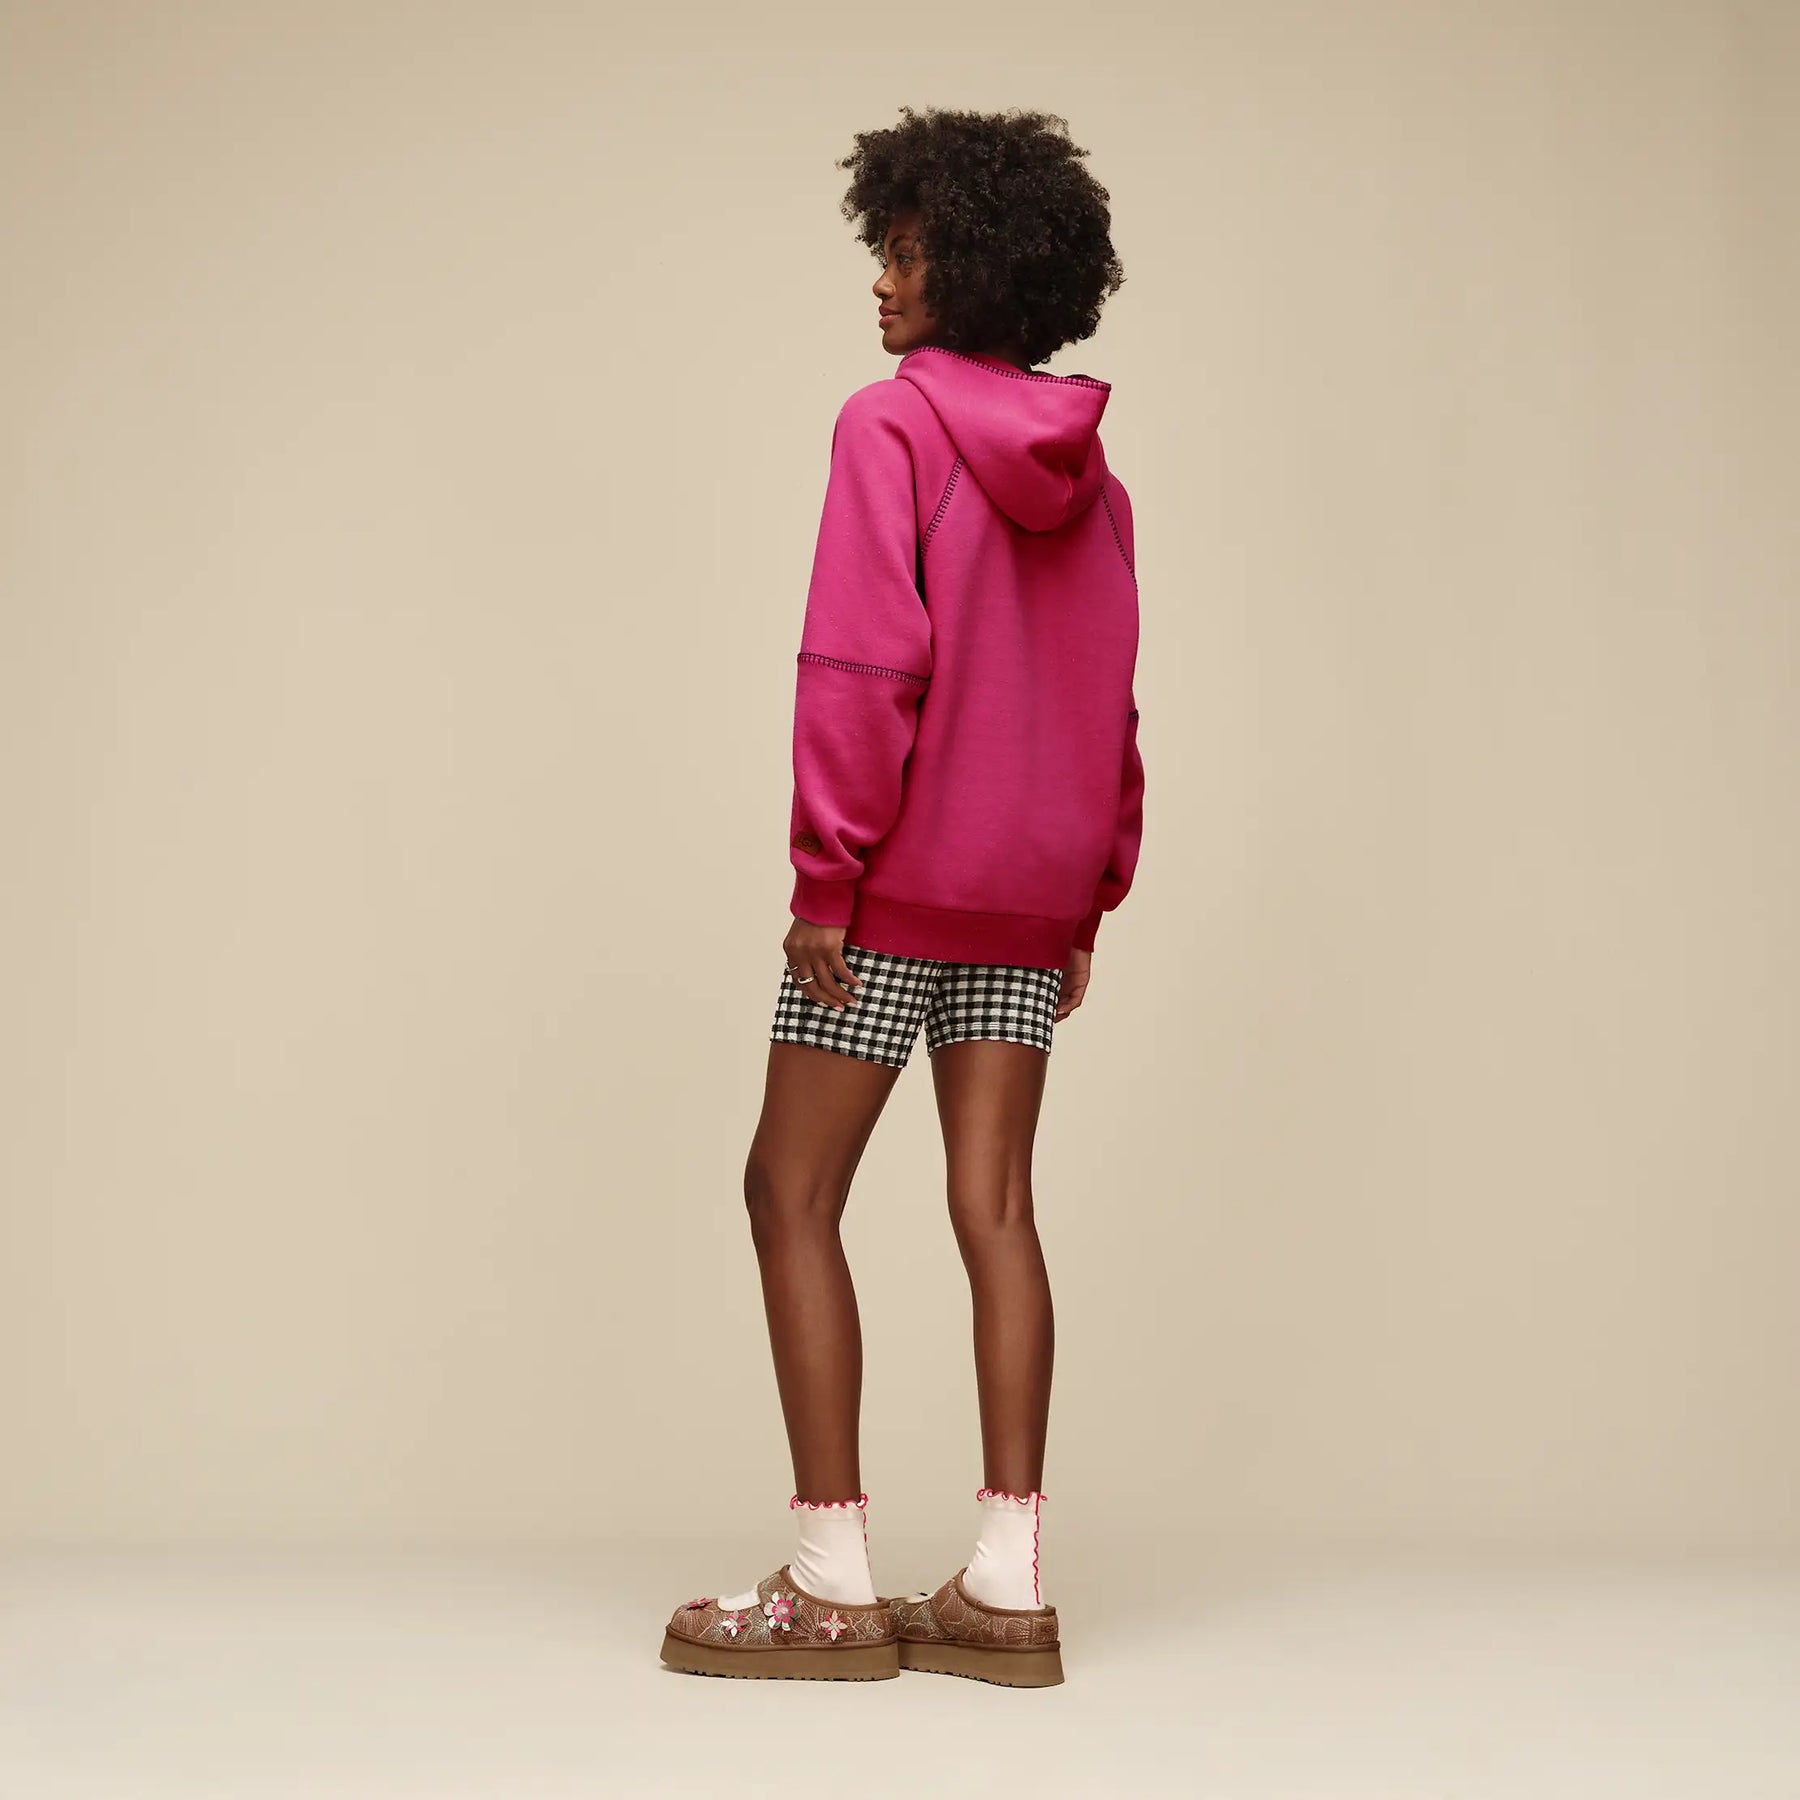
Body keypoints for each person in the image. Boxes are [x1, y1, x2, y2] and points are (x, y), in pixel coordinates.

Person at [660, 105, 1144, 1688]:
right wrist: (1086, 901)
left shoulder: (891, 428)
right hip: (1027, 907)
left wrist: (827, 872)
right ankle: (1006, 1586)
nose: (883, 276)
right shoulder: (1096, 484)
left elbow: (862, 667)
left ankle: (830, 1581)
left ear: (974, 265)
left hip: (888, 896)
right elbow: (1112, 708)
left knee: (788, 1194)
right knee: (995, 1208)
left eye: (910, 248)